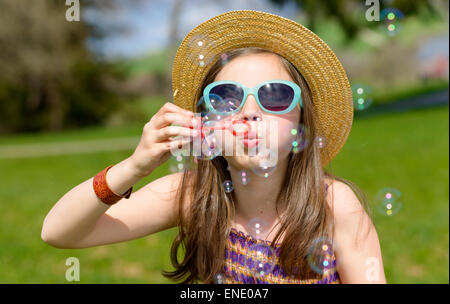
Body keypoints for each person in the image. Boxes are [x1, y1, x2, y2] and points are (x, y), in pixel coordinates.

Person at [41, 10, 386, 284]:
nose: (249, 112)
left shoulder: (332, 204)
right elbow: (58, 231)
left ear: (302, 119)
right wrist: (134, 167)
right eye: (227, 98)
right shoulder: (192, 194)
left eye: (275, 96)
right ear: (205, 123)